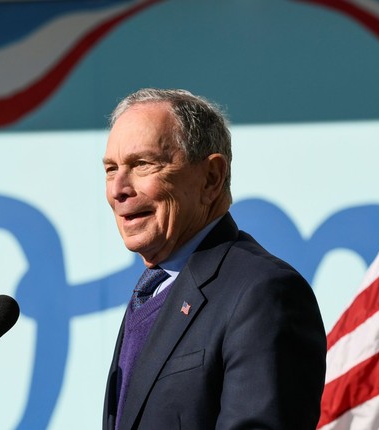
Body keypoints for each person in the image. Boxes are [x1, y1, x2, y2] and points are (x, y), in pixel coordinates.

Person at [101, 88, 326, 430]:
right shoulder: (152, 289)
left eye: (142, 164)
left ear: (211, 178)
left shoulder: (263, 292)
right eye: (111, 169)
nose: (118, 188)